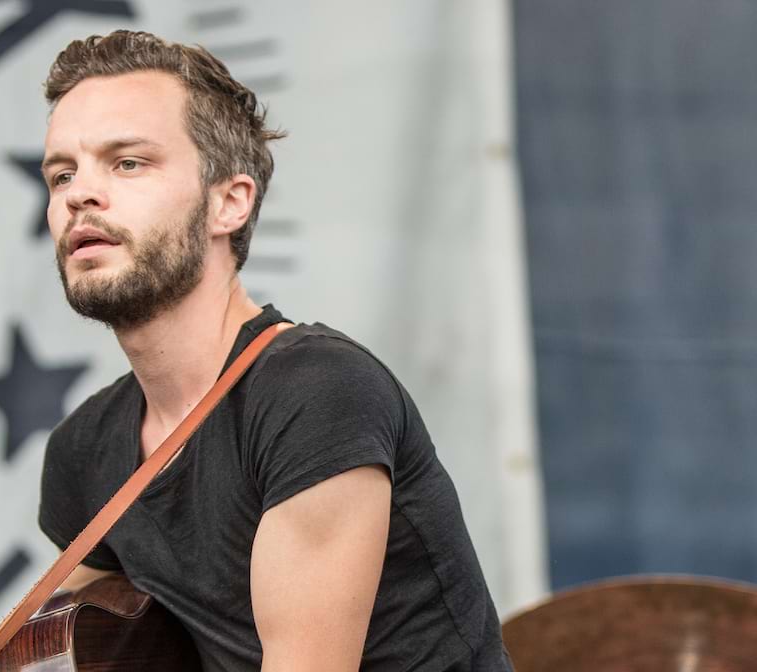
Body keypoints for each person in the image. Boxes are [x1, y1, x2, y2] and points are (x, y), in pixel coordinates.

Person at [36, 30, 513, 671]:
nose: (78, 194)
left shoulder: (316, 393)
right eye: (62, 174)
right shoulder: (84, 450)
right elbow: (69, 655)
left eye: (128, 163)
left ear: (229, 203)